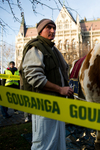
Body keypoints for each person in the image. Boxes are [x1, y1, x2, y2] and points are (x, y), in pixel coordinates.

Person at [19, 19, 74, 150]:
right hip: (44, 105)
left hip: (56, 104)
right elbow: (35, 78)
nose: (52, 31)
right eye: (48, 28)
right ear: (40, 30)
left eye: (54, 28)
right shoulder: (36, 48)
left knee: (57, 143)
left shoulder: (51, 48)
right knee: (44, 144)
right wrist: (60, 89)